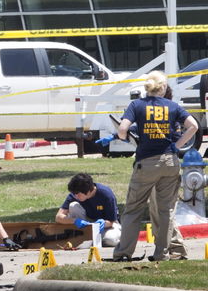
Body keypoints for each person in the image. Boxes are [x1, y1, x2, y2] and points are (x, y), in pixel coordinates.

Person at [109, 71, 198, 261]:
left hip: (146, 162)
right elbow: (193, 126)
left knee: (133, 208)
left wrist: (124, 137)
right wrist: (177, 145)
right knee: (166, 210)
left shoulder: (137, 105)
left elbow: (123, 129)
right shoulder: (173, 106)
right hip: (169, 160)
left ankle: (123, 252)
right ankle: (162, 253)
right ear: (163, 87)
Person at [55, 173, 121, 247]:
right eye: (74, 193)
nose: (75, 196)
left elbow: (111, 221)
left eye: (78, 194)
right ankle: (84, 236)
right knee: (73, 205)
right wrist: (74, 221)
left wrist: (102, 223)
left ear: (88, 191)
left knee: (110, 240)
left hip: (107, 225)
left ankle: (90, 239)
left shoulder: (106, 195)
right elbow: (58, 217)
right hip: (86, 224)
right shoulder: (74, 194)